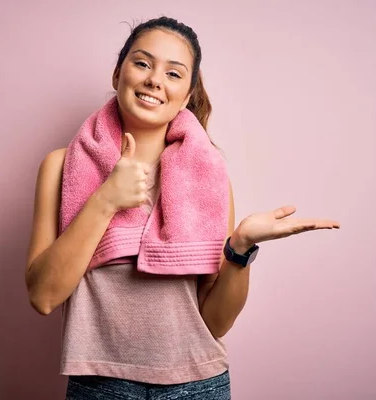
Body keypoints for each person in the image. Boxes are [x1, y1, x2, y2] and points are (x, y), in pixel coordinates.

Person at [25, 16, 340, 400]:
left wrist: (239, 248)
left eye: (173, 73)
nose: (155, 80)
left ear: (187, 94)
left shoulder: (209, 177)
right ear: (117, 74)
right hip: (99, 385)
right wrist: (106, 199)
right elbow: (43, 295)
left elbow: (216, 322)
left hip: (200, 386)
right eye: (142, 63)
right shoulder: (61, 166)